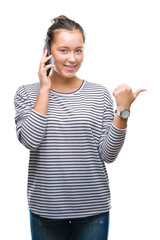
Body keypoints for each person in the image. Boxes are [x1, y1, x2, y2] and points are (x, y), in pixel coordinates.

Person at [14, 15, 146, 240]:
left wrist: (123, 112)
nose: (72, 59)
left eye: (78, 50)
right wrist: (44, 87)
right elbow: (30, 140)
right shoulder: (26, 93)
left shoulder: (99, 94)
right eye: (63, 50)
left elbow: (108, 154)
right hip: (47, 208)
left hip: (93, 209)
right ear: (47, 51)